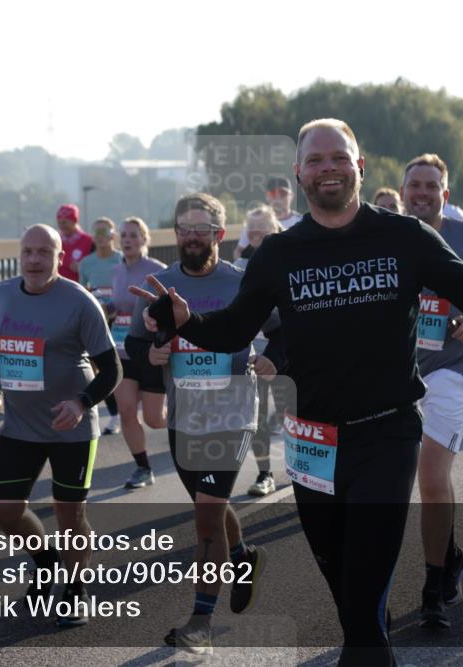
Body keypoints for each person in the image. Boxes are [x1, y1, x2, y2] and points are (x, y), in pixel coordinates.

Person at [131, 119, 463, 666]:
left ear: (359, 167)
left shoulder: (405, 237)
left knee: (362, 616)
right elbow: (234, 329)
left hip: (386, 435)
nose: (328, 168)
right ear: (299, 173)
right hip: (311, 443)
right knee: (350, 600)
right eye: (315, 160)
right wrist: (186, 321)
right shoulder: (279, 253)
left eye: (339, 157)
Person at [127, 193, 282, 653]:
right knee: (207, 506)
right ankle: (242, 557)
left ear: (220, 234)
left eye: (202, 229)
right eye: (184, 229)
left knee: (207, 514)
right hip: (185, 415)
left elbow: (281, 329)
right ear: (176, 235)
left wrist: (273, 357)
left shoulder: (242, 281)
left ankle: (200, 622)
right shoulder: (160, 284)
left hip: (233, 413)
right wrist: (151, 353)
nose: (192, 237)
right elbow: (134, 344)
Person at [0, 224, 120, 627]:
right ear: (19, 255)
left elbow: (112, 368)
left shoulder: (80, 302)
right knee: (5, 511)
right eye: (28, 251)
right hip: (19, 425)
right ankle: (46, 561)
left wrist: (81, 403)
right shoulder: (1, 294)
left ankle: (75, 589)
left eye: (44, 252)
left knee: (69, 516)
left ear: (60, 258)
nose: (34, 260)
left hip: (70, 428)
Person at [401, 155, 463, 630]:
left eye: (431, 185)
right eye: (414, 185)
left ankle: (433, 588)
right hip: (398, 371)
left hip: (454, 368)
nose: (422, 192)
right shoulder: (385, 237)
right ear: (402, 192)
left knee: (432, 477)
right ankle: (451, 554)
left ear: (445, 194)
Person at [110, 217, 168, 489]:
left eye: (133, 235)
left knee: (154, 420)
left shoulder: (157, 270)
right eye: (123, 235)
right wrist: (108, 308)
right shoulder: (116, 271)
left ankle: (188, 421)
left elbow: (170, 309)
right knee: (126, 410)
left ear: (144, 239)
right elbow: (117, 306)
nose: (127, 240)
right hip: (122, 351)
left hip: (150, 351)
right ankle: (143, 467)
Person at [235, 205, 284, 496]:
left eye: (261, 230)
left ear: (274, 229)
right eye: (251, 231)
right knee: (259, 415)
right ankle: (265, 473)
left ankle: (307, 467)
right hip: (256, 351)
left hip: (288, 345)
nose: (255, 236)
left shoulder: (291, 254)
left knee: (294, 412)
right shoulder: (240, 263)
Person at [78, 217, 124, 434]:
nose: (100, 237)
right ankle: (114, 416)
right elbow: (82, 292)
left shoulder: (122, 259)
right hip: (99, 322)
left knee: (124, 369)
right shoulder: (86, 263)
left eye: (105, 232)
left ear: (113, 235)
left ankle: (128, 409)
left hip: (123, 322)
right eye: (96, 233)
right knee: (100, 369)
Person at [233, 176, 303, 259]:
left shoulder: (301, 222)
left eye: (282, 193)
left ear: (291, 196)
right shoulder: (254, 222)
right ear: (267, 196)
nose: (278, 197)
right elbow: (239, 251)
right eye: (273, 193)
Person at [56, 204, 94, 282]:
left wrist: (82, 268)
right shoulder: (55, 240)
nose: (61, 226)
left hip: (79, 286)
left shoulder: (89, 241)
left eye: (64, 222)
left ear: (74, 221)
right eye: (59, 222)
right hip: (58, 285)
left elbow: (96, 265)